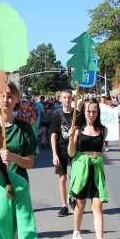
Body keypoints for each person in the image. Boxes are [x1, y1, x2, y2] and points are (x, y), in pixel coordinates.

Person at [67, 99, 110, 239]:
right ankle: (76, 231)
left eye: (94, 111)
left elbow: (102, 148)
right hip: (81, 170)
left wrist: (94, 157)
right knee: (81, 204)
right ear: (83, 112)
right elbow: (71, 153)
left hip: (96, 171)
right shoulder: (77, 130)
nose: (91, 114)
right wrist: (71, 138)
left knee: (98, 206)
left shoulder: (103, 130)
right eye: (88, 111)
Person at [0, 82, 37, 183]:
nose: (5, 100)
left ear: (17, 99)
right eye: (1, 96)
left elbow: (29, 163)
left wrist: (12, 157)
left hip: (18, 183)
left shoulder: (25, 127)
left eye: (9, 96)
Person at [50, 88, 74, 216]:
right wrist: (54, 154)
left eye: (69, 97)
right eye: (64, 97)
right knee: (62, 178)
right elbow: (53, 136)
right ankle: (64, 205)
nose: (67, 99)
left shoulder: (77, 114)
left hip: (74, 149)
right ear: (60, 99)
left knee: (75, 177)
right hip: (61, 149)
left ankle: (73, 198)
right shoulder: (57, 115)